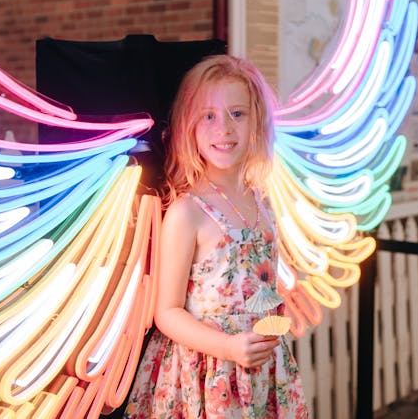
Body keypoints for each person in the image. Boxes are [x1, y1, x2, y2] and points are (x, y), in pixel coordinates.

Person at [124, 55, 307, 418]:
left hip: (261, 368)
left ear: (258, 122)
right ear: (188, 126)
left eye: (237, 114)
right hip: (205, 373)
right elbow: (168, 312)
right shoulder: (187, 212)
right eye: (208, 116)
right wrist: (227, 346)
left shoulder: (263, 202)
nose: (223, 128)